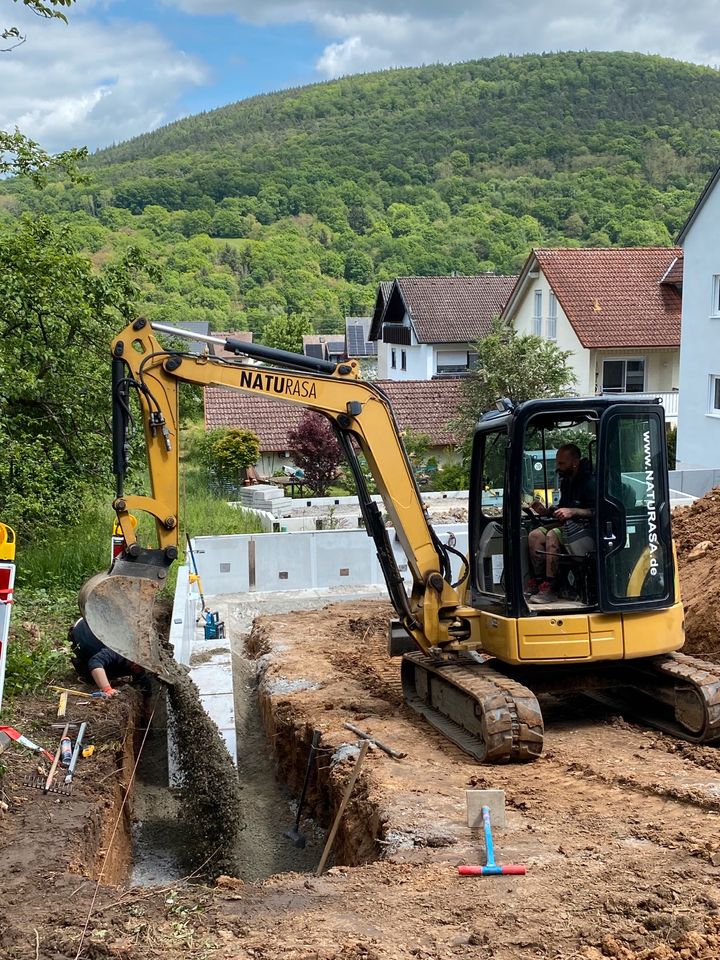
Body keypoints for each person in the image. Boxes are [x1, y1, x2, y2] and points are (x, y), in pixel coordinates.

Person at [526, 443, 595, 605]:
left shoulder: (590, 482)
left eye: (561, 463)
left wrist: (573, 512)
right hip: (568, 525)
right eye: (558, 463)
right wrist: (546, 512)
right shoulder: (567, 481)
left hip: (587, 529)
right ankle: (539, 581)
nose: (558, 467)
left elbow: (597, 510)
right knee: (534, 536)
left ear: (575, 462)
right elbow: (563, 507)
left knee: (552, 536)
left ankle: (551, 587)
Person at [69, 617, 150, 697]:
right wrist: (107, 689)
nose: (140, 671)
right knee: (91, 678)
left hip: (100, 623)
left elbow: (143, 680)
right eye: (140, 668)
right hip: (80, 633)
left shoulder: (139, 655)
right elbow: (95, 662)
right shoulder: (120, 651)